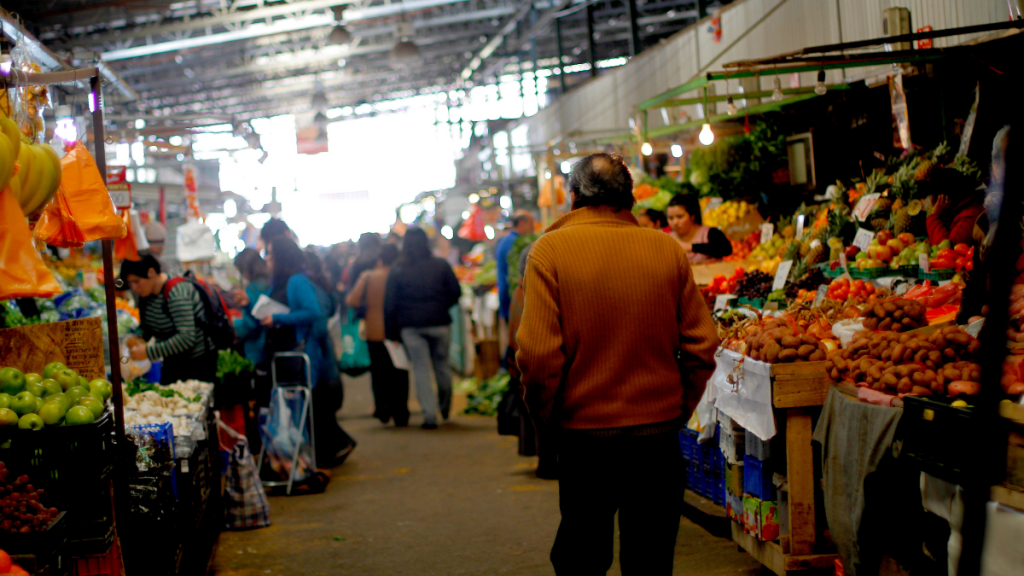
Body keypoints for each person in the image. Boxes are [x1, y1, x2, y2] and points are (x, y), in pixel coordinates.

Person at [516, 153, 719, 575]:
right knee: (650, 560)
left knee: (581, 559)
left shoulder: (549, 251)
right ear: (628, 197)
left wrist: (546, 422)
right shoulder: (665, 249)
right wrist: (677, 407)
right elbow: (702, 345)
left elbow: (537, 357)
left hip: (584, 439)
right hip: (657, 438)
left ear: (572, 197)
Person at [262, 237, 355, 467]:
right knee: (315, 406)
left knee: (312, 406)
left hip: (306, 353)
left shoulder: (297, 282)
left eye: (271, 254)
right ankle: (327, 452)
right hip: (305, 352)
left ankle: (323, 456)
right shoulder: (292, 281)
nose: (267, 259)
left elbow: (313, 312)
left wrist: (278, 319)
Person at [384, 227, 462, 430]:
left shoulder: (398, 269)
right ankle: (445, 408)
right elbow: (456, 292)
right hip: (440, 322)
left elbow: (390, 303)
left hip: (411, 327)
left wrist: (391, 332)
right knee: (442, 366)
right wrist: (442, 306)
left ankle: (430, 416)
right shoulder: (441, 265)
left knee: (420, 370)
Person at [120, 255, 217, 385]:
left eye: (136, 281)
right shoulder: (146, 296)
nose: (134, 288)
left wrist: (148, 352)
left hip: (196, 364)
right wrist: (138, 337)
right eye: (130, 283)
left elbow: (187, 338)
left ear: (151, 273)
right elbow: (147, 326)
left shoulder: (176, 292)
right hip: (172, 361)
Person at [507, 242, 557, 479]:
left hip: (522, 359)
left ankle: (544, 460)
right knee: (543, 411)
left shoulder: (521, 289)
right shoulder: (529, 291)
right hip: (532, 360)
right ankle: (547, 462)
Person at [348, 244, 410, 427]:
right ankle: (400, 412)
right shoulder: (401, 274)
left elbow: (352, 300)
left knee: (379, 373)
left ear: (379, 258)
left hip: (374, 331)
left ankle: (382, 408)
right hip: (397, 332)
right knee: (399, 372)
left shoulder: (368, 276)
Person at [232, 248, 272, 402]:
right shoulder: (268, 282)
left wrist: (235, 327)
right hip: (267, 345)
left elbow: (252, 322)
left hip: (257, 348)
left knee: (260, 395)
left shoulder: (253, 288)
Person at [925, 167, 986, 247]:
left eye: (932, 196)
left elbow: (945, 251)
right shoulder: (959, 209)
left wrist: (935, 217)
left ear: (943, 199)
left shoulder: (966, 219)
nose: (931, 200)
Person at [666, 194, 733, 264]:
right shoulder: (666, 239)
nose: (675, 222)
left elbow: (726, 249)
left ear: (692, 216)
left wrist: (691, 247)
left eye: (680, 217)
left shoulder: (709, 233)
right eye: (671, 218)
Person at [496, 210, 535, 322]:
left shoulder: (505, 241)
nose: (533, 228)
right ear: (522, 223)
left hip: (508, 297)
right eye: (531, 224)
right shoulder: (516, 243)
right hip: (514, 299)